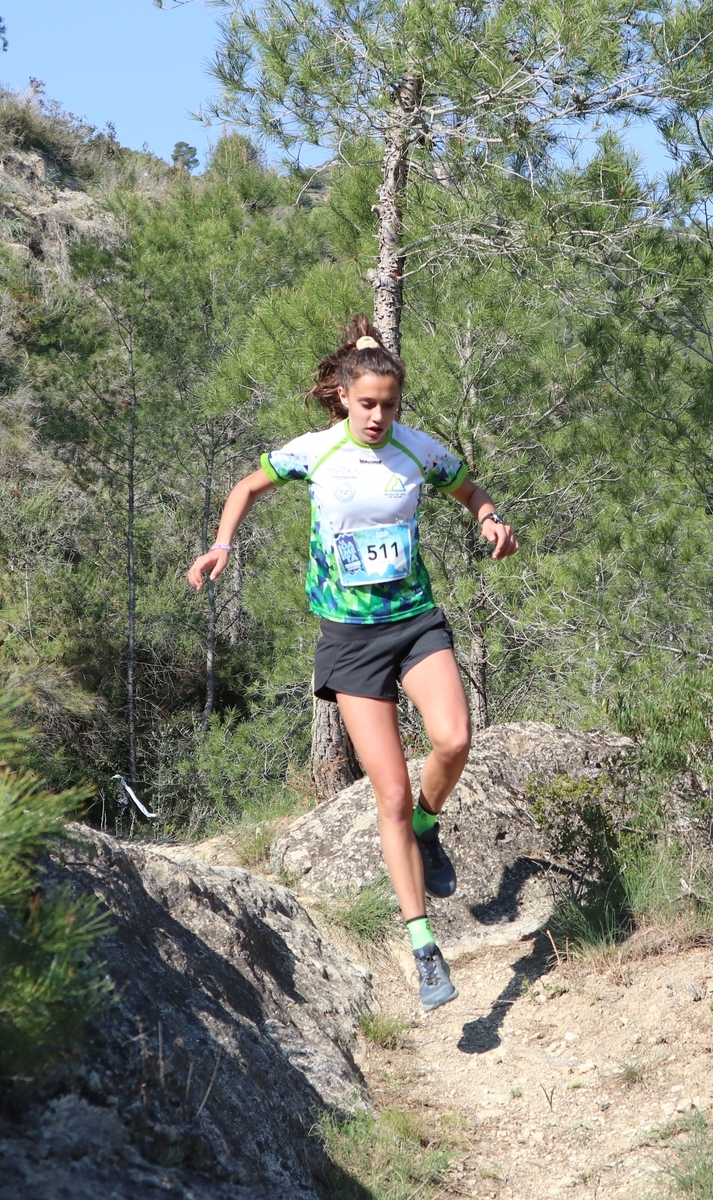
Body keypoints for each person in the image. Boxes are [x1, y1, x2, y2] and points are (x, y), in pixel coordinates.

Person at [186, 316, 517, 1012]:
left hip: (415, 622)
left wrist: (489, 519)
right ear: (342, 396)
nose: (377, 417)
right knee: (388, 794)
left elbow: (471, 490)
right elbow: (246, 487)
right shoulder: (315, 451)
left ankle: (428, 825)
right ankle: (424, 947)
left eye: (389, 406)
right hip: (349, 640)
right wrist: (221, 545)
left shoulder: (418, 449)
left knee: (455, 740)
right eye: (367, 404)